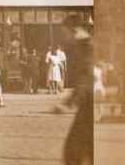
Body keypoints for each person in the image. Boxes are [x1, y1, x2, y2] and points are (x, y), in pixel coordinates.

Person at [57, 15, 92, 165]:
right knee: (82, 151)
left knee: (73, 152)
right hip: (87, 104)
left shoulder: (85, 47)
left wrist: (69, 102)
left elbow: (87, 75)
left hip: (89, 104)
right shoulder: (84, 45)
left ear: (75, 30)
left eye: (64, 33)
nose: (63, 38)